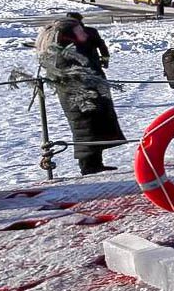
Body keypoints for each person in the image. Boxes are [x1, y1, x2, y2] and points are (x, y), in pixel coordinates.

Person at [37, 18, 125, 175]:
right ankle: (88, 167)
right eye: (80, 31)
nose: (85, 33)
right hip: (79, 99)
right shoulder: (65, 54)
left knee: (95, 128)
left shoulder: (81, 48)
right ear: (70, 35)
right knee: (85, 130)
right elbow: (71, 76)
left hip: (91, 94)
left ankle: (96, 163)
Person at [66, 11, 109, 76]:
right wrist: (105, 60)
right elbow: (102, 46)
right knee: (100, 82)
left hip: (70, 68)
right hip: (92, 65)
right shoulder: (91, 31)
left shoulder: (63, 33)